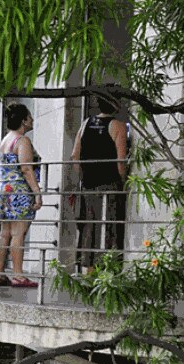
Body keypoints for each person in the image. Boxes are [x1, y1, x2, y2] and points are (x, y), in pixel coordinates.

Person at [71, 94, 129, 274]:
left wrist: (83, 175)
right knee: (108, 225)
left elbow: (75, 155)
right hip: (108, 184)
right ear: (115, 104)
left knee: (89, 227)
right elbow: (121, 161)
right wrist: (123, 181)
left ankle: (88, 271)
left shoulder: (85, 123)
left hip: (88, 185)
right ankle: (106, 272)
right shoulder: (117, 126)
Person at [0, 103, 42, 288]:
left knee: (5, 233)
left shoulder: (6, 139)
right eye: (29, 117)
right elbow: (26, 168)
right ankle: (18, 274)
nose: (32, 120)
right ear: (23, 120)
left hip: (5, 190)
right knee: (18, 233)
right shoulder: (22, 141)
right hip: (20, 191)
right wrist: (37, 193)